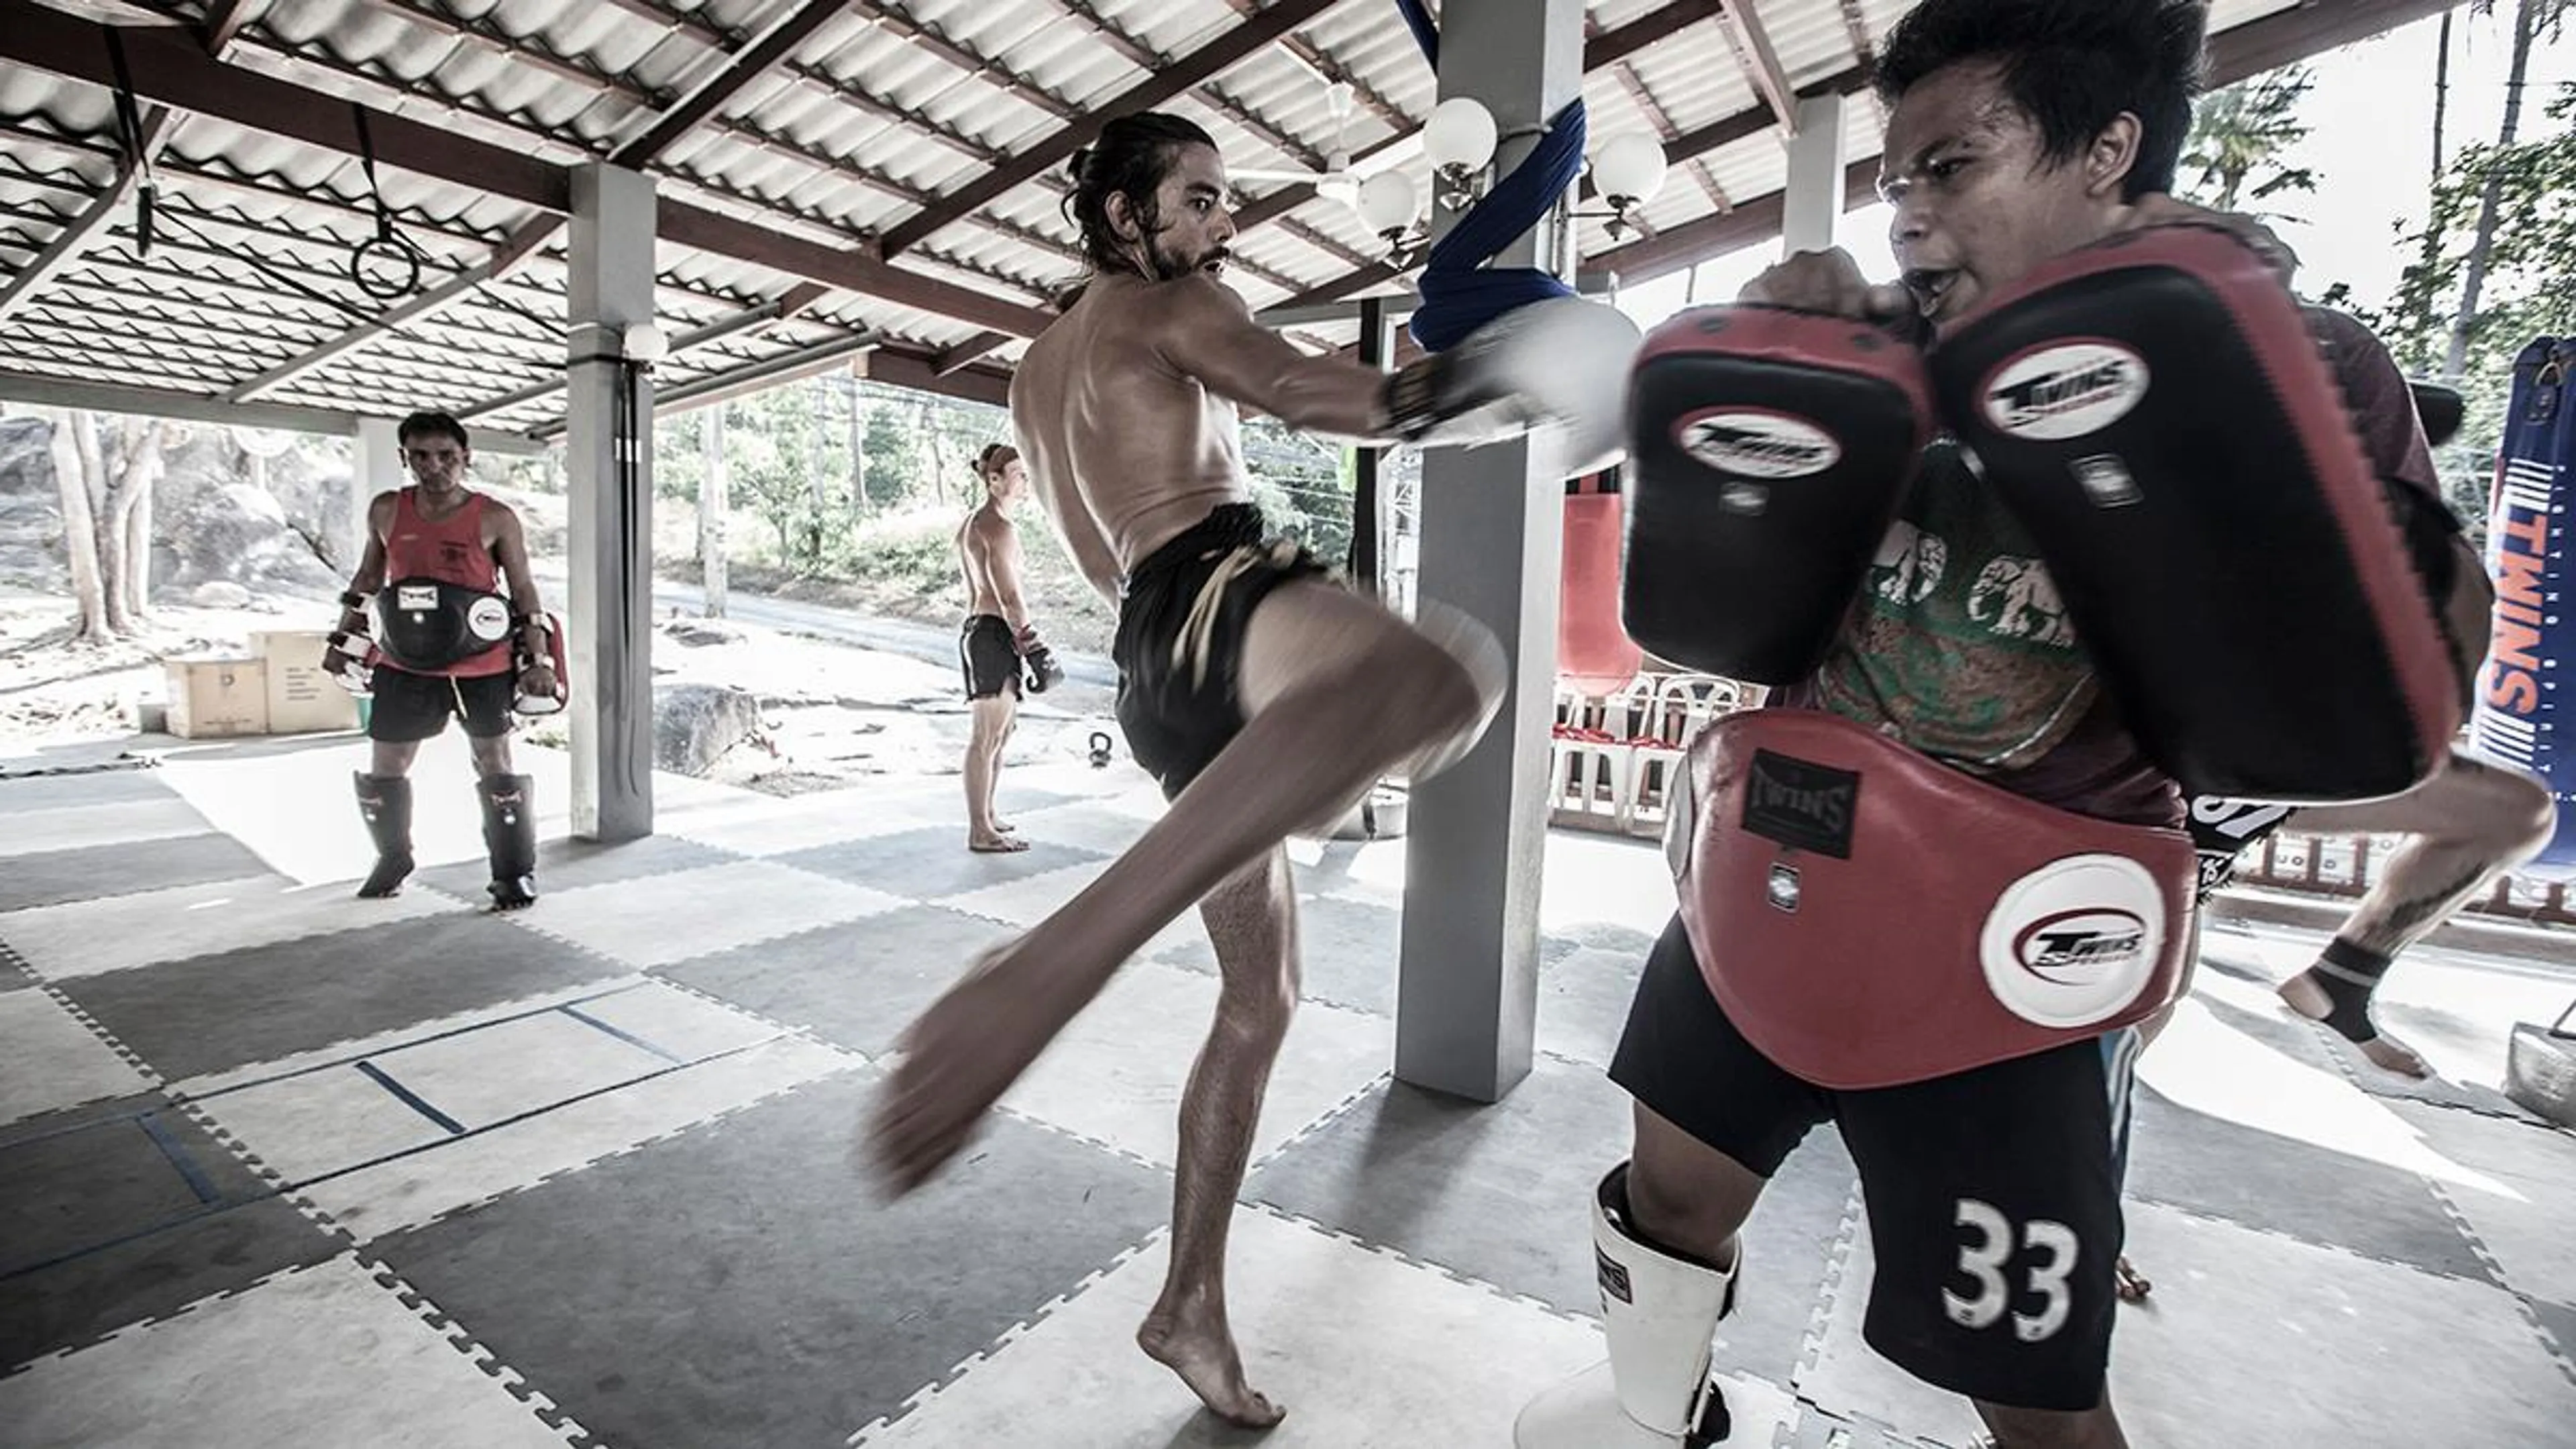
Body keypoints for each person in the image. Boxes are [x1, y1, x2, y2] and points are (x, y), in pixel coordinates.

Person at [1517, 5, 2463, 1446]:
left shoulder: (2304, 359)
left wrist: (2252, 424)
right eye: (1894, 180)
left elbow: (2423, 668)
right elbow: (1733, 610)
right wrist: (1773, 387)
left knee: (2030, 1385)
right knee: (1670, 1200)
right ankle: (1661, 1416)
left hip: (2017, 945)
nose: (1907, 215)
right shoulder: (1869, 358)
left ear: (2107, 150)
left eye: (1950, 166)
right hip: (1768, 880)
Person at [869, 111, 1637, 1426]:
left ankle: (1190, 1306)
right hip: (1218, 591)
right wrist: (1491, 377)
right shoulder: (1174, 306)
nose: (1229, 224)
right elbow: (1322, 396)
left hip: (1157, 666)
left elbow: (1112, 546)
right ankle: (1058, 957)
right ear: (1129, 216)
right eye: (1205, 199)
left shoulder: (1041, 369)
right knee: (1439, 679)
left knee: (1262, 998)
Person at [321, 411, 555, 910]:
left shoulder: (495, 517)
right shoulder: (387, 510)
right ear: (406, 459)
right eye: (422, 457)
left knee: (494, 760)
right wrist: (342, 640)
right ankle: (393, 858)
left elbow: (523, 586)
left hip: (482, 661)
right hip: (404, 660)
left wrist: (539, 657)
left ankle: (514, 874)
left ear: (466, 459)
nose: (435, 467)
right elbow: (367, 580)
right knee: (387, 762)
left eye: (447, 457)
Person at [955, 442, 1061, 853]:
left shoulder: (974, 522)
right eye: (1018, 475)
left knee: (1002, 732)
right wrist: (1033, 644)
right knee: (985, 736)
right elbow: (1008, 596)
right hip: (992, 634)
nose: (1025, 483)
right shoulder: (998, 527)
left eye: (1026, 474)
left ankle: (989, 815)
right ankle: (979, 830)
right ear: (993, 480)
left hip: (984, 632)